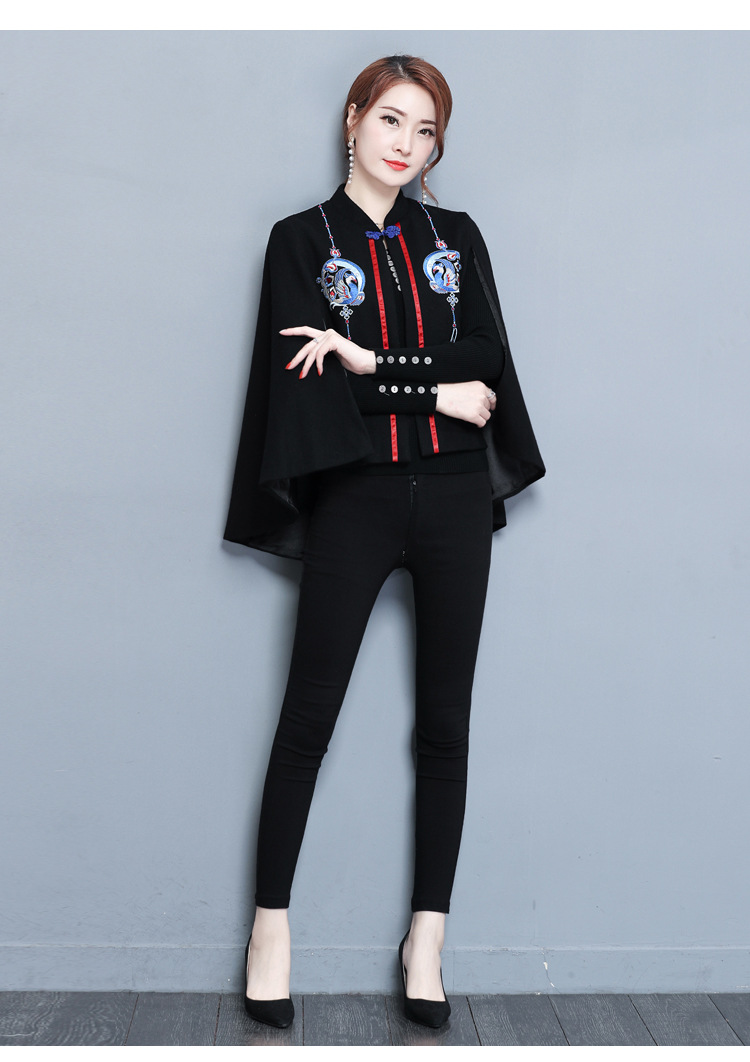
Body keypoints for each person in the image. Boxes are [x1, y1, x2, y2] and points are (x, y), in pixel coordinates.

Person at [224, 54, 544, 1029]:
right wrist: (429, 389)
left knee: (445, 726)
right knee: (306, 720)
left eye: (426, 130)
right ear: (354, 118)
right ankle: (269, 931)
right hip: (354, 501)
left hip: (453, 502)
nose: (407, 144)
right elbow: (309, 386)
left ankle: (427, 941)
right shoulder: (298, 242)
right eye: (392, 120)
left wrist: (365, 359)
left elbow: (486, 359)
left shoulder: (455, 237)